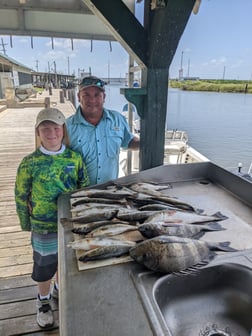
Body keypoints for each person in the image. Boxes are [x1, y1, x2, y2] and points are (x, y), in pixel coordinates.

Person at [15, 107, 89, 329]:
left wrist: (83, 218)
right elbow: (20, 195)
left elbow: (83, 188)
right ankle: (43, 300)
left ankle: (58, 289)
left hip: (69, 224)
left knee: (65, 262)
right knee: (44, 265)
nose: (51, 132)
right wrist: (26, 223)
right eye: (45, 128)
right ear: (37, 132)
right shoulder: (29, 162)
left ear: (62, 130)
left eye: (55, 127)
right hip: (43, 225)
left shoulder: (74, 157)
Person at [66, 75, 140, 185]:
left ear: (104, 97)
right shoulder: (67, 126)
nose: (92, 100)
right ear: (78, 97)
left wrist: (148, 143)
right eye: (86, 95)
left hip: (109, 191)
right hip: (79, 194)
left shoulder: (118, 119)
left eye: (97, 95)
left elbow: (128, 141)